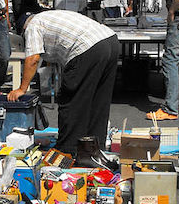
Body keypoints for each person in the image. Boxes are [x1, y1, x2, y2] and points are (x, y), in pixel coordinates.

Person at [7, 10, 119, 157]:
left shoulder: (32, 26)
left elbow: (33, 58)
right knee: (98, 100)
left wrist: (22, 89)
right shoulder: (48, 17)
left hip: (87, 47)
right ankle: (95, 148)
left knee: (71, 101)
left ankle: (68, 150)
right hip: (109, 40)